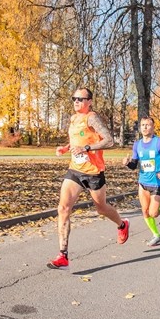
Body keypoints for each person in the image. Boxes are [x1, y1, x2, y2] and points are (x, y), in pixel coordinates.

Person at [48, 88, 130, 270]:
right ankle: (63, 255)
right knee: (63, 208)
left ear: (89, 101)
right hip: (75, 170)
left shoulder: (92, 117)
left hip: (93, 172)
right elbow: (77, 140)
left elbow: (109, 141)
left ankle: (122, 224)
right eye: (74, 98)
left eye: (80, 99)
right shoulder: (73, 118)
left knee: (101, 208)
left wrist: (86, 148)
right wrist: (65, 147)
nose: (76, 101)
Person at [124, 116, 160, 246]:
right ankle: (156, 235)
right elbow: (134, 165)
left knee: (153, 213)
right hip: (142, 183)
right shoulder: (137, 144)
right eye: (143, 125)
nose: (145, 127)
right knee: (144, 211)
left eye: (148, 125)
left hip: (156, 183)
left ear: (153, 127)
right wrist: (127, 163)